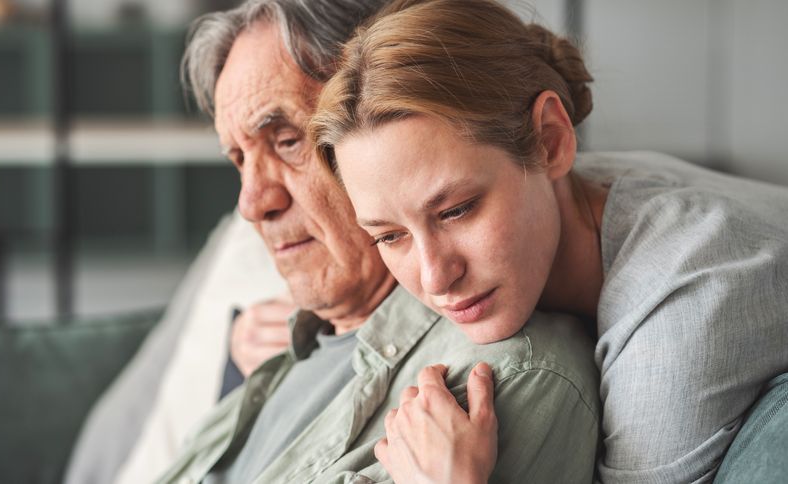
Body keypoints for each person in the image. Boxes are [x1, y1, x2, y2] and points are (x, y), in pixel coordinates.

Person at [309, 0, 788, 482]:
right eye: (390, 236)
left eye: (456, 210)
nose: (436, 277)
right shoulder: (565, 190)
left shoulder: (679, 323)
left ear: (552, 141)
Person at [155, 0, 601, 482]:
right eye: (239, 158)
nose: (251, 203)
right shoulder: (283, 341)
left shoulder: (492, 384)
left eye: (287, 140)